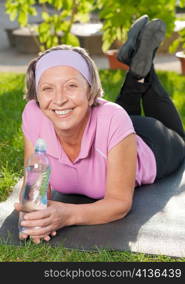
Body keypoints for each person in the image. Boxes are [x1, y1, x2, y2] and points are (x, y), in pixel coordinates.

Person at [15, 15, 185, 244]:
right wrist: (34, 215)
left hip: (153, 144)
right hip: (113, 129)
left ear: (90, 90)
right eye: (47, 89)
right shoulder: (34, 114)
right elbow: (33, 184)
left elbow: (119, 203)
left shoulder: (112, 118)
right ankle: (137, 71)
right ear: (37, 94)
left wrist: (66, 215)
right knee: (113, 114)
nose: (59, 100)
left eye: (71, 86)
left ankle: (143, 72)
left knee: (180, 139)